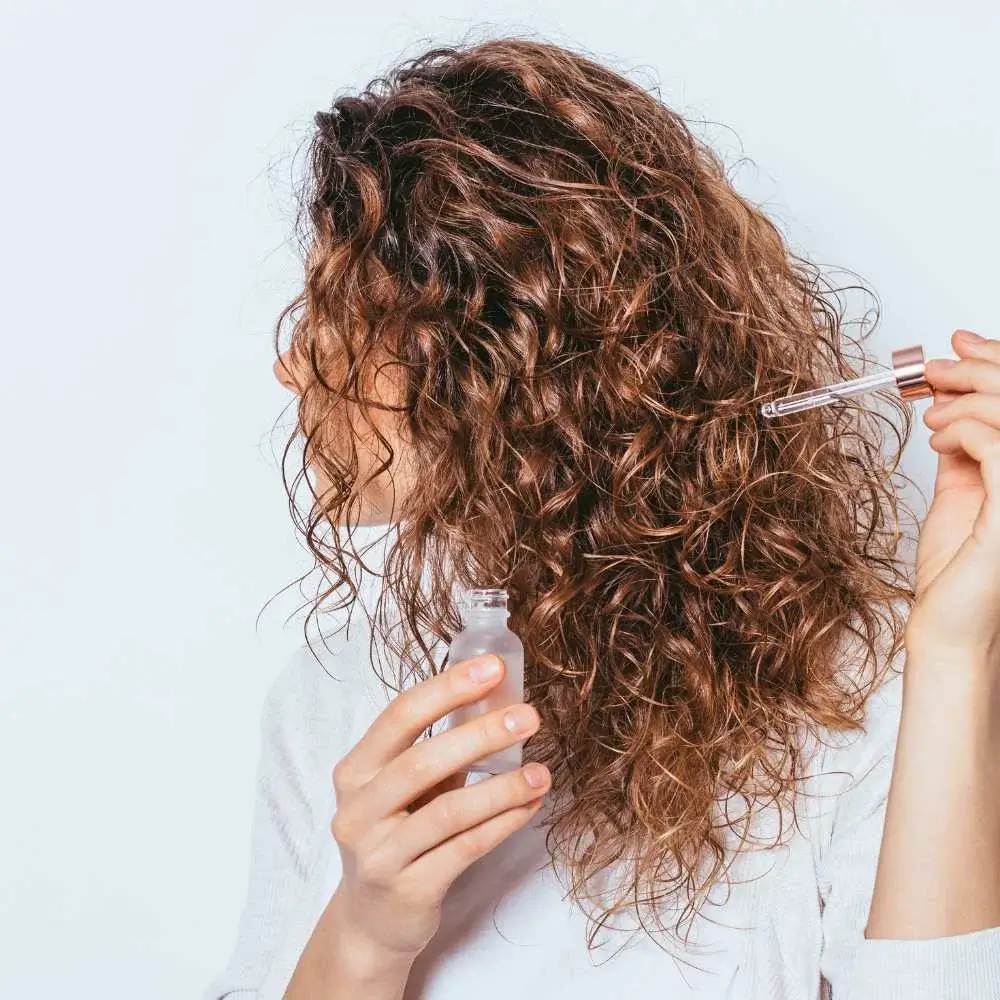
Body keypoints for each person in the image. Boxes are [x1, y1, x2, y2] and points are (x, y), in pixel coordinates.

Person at [202, 37, 1000, 1000]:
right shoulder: (340, 690)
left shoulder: (853, 690)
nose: (293, 365)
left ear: (492, 358)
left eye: (338, 312)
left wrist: (954, 658)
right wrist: (365, 938)